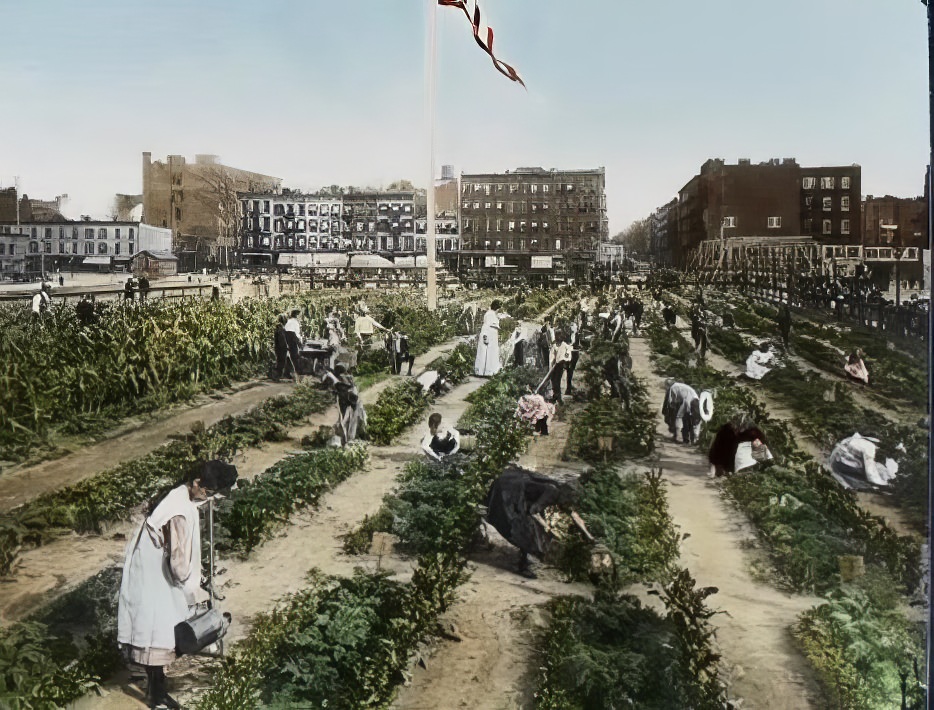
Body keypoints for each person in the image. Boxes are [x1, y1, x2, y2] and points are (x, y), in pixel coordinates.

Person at [118, 461, 237, 710]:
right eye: (208, 492)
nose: (208, 498)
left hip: (152, 563)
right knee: (159, 631)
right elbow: (179, 567)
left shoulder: (179, 494)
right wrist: (196, 588)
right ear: (196, 483)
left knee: (158, 630)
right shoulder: (180, 511)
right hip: (154, 570)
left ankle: (157, 690)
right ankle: (157, 695)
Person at [827, 433, 897, 489]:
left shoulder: (856, 440)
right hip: (840, 463)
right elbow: (870, 471)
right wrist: (882, 483)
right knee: (868, 471)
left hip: (836, 462)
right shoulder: (869, 447)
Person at [322, 364, 366, 444]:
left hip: (347, 399)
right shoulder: (346, 379)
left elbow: (348, 391)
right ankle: (347, 439)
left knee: (348, 419)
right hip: (346, 399)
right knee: (347, 419)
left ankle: (348, 439)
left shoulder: (342, 379)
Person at [474, 299, 504, 377]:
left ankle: (490, 371)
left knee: (490, 353)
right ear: (496, 308)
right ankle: (486, 372)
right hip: (488, 335)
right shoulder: (489, 314)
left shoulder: (492, 314)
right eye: (498, 308)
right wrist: (485, 337)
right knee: (486, 353)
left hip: (492, 336)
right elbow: (486, 326)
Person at [548, 330, 573, 404]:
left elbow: (568, 355)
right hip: (555, 365)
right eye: (556, 336)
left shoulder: (565, 346)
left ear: (561, 337)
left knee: (557, 380)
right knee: (553, 380)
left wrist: (564, 361)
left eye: (559, 336)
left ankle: (558, 397)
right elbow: (551, 355)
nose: (557, 337)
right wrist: (552, 362)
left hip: (561, 365)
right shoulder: (555, 345)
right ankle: (556, 396)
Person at [273, 314, 291, 381]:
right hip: (281, 348)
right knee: (281, 361)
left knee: (281, 361)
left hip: (279, 347)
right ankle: (276, 376)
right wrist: (286, 346)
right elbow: (282, 340)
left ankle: (280, 375)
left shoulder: (279, 328)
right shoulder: (280, 329)